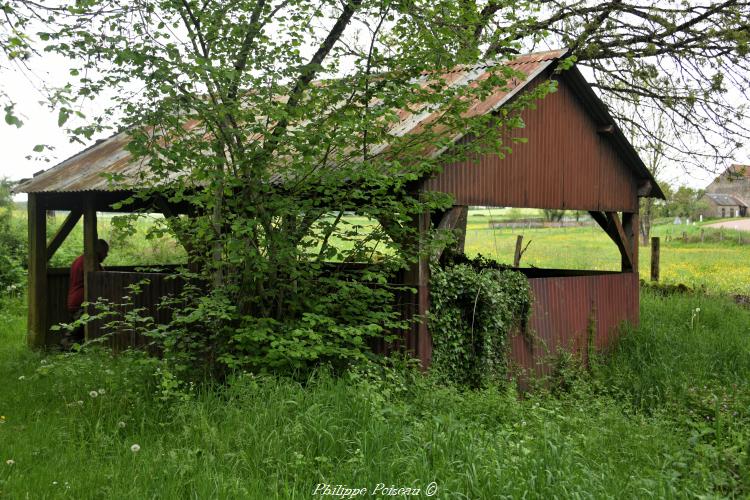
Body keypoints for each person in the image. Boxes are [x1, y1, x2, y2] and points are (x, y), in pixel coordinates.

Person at [61, 239, 109, 349]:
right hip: (82, 302)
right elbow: (101, 278)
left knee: (78, 331)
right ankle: (65, 349)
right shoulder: (89, 262)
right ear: (99, 250)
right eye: (105, 251)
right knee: (74, 333)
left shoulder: (80, 260)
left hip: (77, 300)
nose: (106, 255)